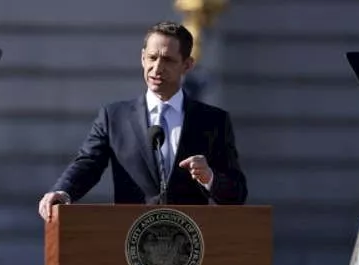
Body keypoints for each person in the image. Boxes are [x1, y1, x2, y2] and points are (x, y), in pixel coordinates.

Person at [37, 21, 247, 219]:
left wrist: (210, 177)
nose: (157, 68)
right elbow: (88, 163)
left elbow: (237, 193)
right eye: (152, 58)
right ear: (142, 58)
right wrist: (63, 191)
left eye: (168, 60)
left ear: (187, 65)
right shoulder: (114, 117)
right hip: (131, 239)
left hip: (189, 244)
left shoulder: (213, 121)